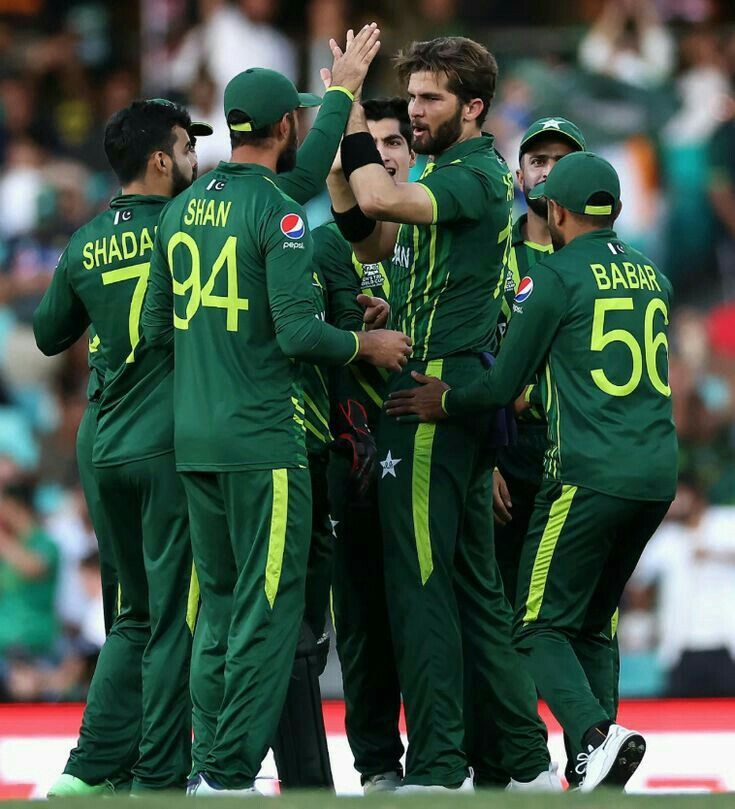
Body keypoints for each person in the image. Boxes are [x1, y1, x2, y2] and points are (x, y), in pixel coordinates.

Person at [140, 57, 412, 795]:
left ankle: (207, 766)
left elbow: (157, 328)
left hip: (196, 441)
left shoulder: (182, 208)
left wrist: (339, 96)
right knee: (268, 613)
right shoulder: (283, 213)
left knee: (221, 612)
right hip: (265, 441)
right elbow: (298, 334)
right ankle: (227, 773)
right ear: (285, 126)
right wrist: (366, 343)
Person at [386, 151, 678, 791]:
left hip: (587, 471)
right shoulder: (652, 275)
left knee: (536, 626)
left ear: (554, 212)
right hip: (657, 474)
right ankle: (595, 765)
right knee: (593, 624)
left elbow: (501, 386)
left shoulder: (555, 276)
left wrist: (447, 399)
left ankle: (598, 737)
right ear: (618, 211)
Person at [328, 36, 556, 791]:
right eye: (412, 96)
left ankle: (436, 764)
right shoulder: (442, 171)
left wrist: (349, 103)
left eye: (429, 99)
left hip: (428, 397)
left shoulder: (478, 174)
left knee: (417, 584)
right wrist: (343, 187)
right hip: (439, 386)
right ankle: (524, 763)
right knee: (469, 588)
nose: (417, 111)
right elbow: (380, 234)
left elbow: (382, 200)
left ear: (474, 107)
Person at [34, 99, 211, 795]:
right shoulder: (187, 223)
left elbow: (49, 334)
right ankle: (158, 770)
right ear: (162, 159)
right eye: (187, 147)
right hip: (165, 441)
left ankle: (86, 772)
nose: (197, 161)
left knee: (131, 618)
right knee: (171, 620)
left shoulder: (84, 240)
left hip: (101, 446)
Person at [313, 96, 414, 793]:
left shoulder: (440, 235)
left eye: (392, 144)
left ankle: (452, 753)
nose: (379, 155)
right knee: (361, 619)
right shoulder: (319, 246)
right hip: (353, 461)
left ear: (411, 155)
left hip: (434, 452)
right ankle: (378, 763)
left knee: (435, 610)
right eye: (367, 143)